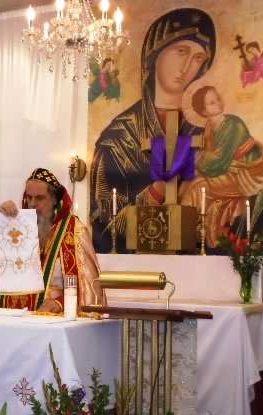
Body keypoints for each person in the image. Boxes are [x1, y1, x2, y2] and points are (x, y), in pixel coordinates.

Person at [89, 8, 216, 253]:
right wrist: (157, 190)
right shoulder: (118, 137)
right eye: (181, 51)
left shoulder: (203, 134)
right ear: (155, 54)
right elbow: (103, 224)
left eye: (199, 58)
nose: (187, 66)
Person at [0, 168, 103, 311]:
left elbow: (89, 287)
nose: (32, 203)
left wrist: (61, 303)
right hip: (12, 316)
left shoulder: (75, 232)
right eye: (29, 197)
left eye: (40, 198)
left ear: (54, 199)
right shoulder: (16, 227)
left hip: (51, 318)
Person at [179, 85, 263, 251]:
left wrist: (199, 160)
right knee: (188, 186)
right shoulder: (210, 127)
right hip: (228, 170)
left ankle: (188, 235)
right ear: (203, 111)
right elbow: (212, 157)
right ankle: (188, 236)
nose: (218, 103)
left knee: (197, 187)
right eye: (212, 102)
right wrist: (200, 159)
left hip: (245, 172)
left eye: (218, 98)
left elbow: (219, 161)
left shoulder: (233, 124)